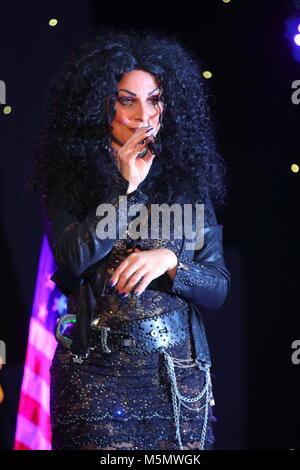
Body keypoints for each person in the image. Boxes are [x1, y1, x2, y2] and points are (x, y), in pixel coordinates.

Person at [25, 25, 231, 451]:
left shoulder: (188, 180)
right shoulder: (71, 177)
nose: (143, 116)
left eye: (154, 100)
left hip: (179, 379)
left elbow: (217, 287)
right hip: (95, 378)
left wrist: (172, 264)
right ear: (103, 106)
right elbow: (72, 261)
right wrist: (127, 191)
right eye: (127, 101)